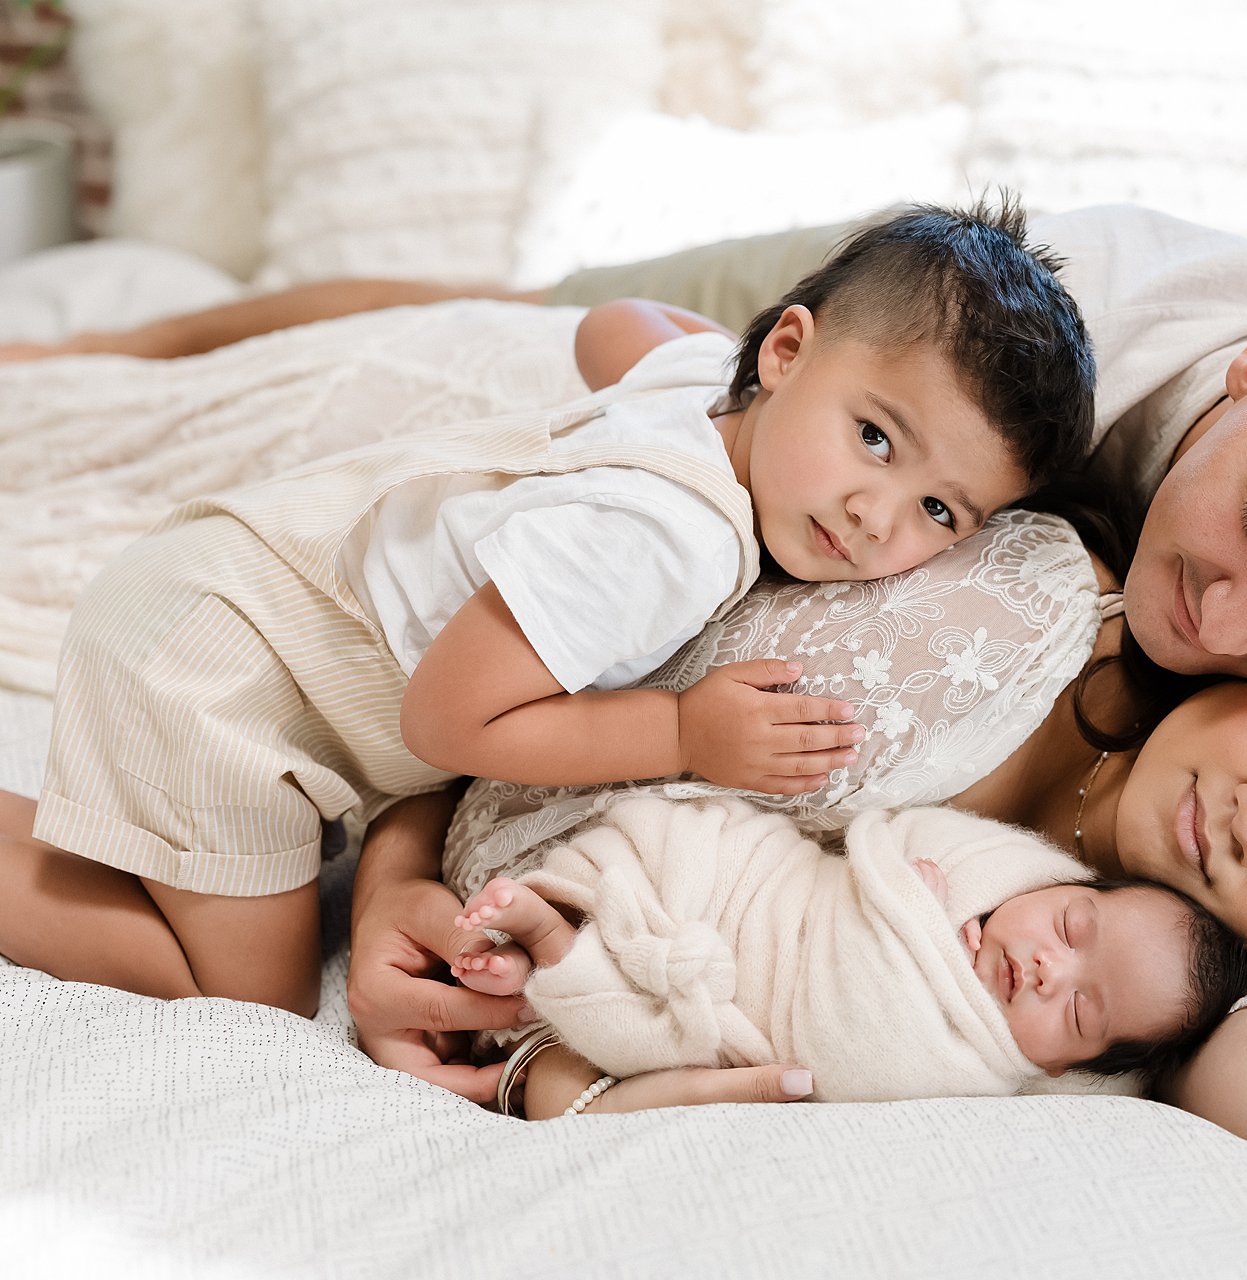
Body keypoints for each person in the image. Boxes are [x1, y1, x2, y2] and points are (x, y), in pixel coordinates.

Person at [2, 202, 1247, 1149]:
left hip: (629, 636)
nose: (1234, 623)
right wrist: (397, 852)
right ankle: (99, 341)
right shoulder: (1065, 377)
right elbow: (657, 530)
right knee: (582, 318)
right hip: (835, 395)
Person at [0, 201, 1096, 1015]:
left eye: (941, 509)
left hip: (226, 591)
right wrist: (680, 729)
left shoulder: (695, 388)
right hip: (221, 678)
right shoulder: (668, 537)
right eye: (874, 436)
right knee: (251, 996)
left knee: (188, 892)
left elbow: (608, 323)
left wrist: (745, 372)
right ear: (791, 348)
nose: (874, 515)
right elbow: (447, 723)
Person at [447, 795, 1247, 1108]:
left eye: (1081, 1010)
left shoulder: (981, 1079)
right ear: (1064, 883)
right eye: (1073, 928)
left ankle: (549, 944)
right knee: (688, 844)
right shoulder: (984, 866)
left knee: (645, 1032)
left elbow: (863, 1067)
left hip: (740, 1018)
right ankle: (568, 908)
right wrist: (915, 904)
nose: (1050, 967)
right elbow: (874, 851)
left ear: (1066, 1070)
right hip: (760, 895)